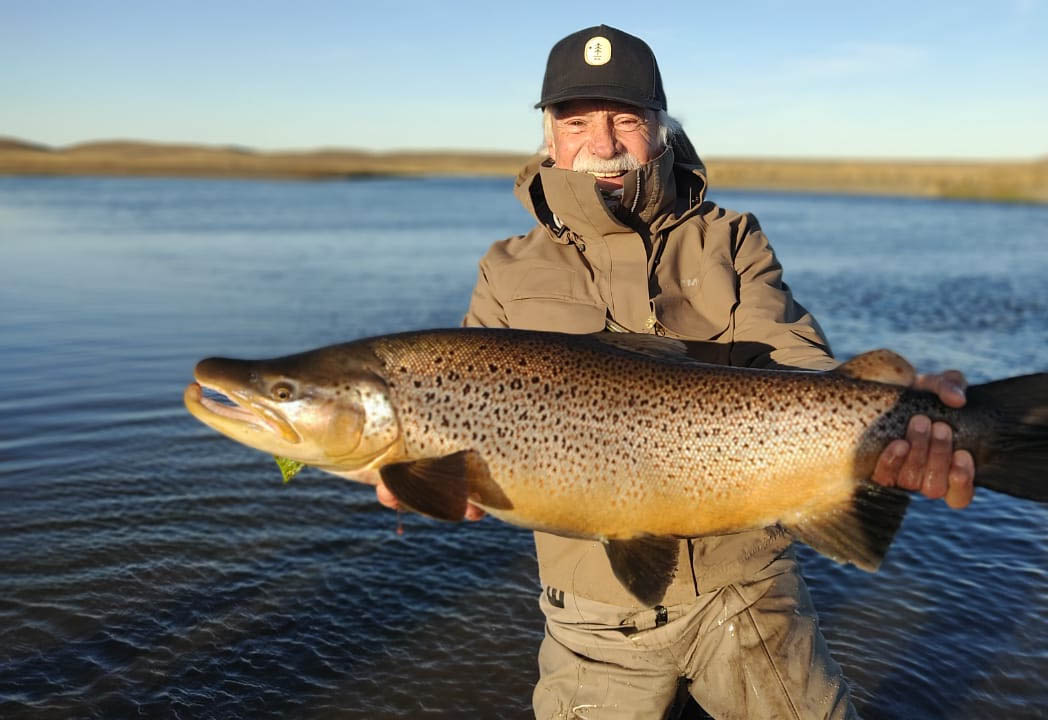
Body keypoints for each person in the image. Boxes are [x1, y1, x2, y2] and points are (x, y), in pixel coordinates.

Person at [377, 25, 974, 720]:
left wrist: (882, 408)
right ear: (548, 137)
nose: (601, 145)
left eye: (624, 120)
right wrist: (416, 478)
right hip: (593, 620)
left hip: (750, 593)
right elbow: (460, 401)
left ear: (659, 130)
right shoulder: (506, 268)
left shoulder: (731, 237)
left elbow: (792, 359)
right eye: (577, 123)